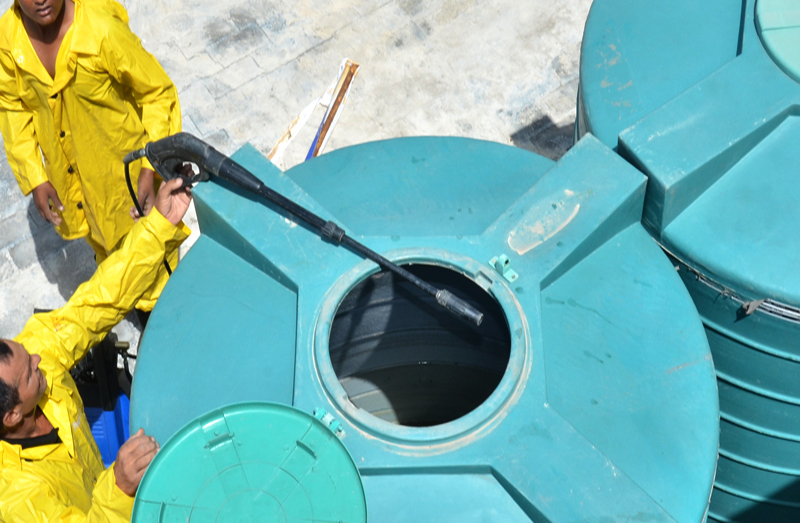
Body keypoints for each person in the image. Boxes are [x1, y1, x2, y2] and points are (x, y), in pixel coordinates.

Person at [0, 176, 192, 522]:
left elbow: (98, 301)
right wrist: (117, 488)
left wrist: (159, 228)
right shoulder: (17, 502)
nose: (39, 357)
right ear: (12, 416)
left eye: (27, 354)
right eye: (30, 372)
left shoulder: (36, 350)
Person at [0, 0, 182, 318]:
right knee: (105, 246)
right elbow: (13, 108)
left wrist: (149, 168)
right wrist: (35, 177)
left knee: (152, 261)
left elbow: (158, 93)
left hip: (125, 179)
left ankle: (164, 318)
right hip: (75, 183)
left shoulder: (101, 30)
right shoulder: (9, 40)